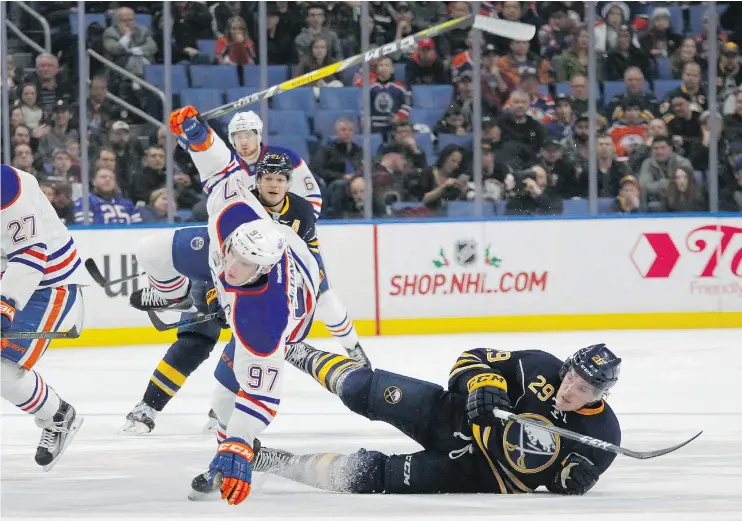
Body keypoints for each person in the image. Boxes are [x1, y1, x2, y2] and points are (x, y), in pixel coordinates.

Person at [121, 112, 368, 437]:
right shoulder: (235, 191)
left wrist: (351, 345)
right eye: (267, 179)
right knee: (195, 337)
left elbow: (317, 286)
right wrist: (191, 136)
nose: (273, 185)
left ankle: (222, 411)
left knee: (244, 345)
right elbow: (213, 166)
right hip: (224, 260)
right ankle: (149, 405)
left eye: (280, 180)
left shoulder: (298, 218)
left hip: (260, 283)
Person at [132, 107, 321, 506]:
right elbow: (220, 166)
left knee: (225, 395)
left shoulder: (267, 320)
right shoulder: (234, 217)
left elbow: (262, 395)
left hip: (291, 305)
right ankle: (172, 292)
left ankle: (227, 458)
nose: (232, 269)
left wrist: (237, 443)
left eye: (246, 267)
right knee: (150, 251)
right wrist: (197, 134)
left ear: (263, 269)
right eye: (234, 256)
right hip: (265, 259)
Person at [249, 342, 621, 496]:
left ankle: (272, 461)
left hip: (475, 474)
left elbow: (554, 483)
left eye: (585, 390)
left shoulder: (604, 435)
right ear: (567, 366)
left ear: (601, 396)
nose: (571, 390)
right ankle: (294, 348)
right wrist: (483, 382)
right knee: (362, 387)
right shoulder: (537, 365)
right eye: (572, 377)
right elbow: (469, 359)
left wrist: (567, 481)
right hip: (448, 414)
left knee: (368, 475)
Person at [0, 164, 87, 470]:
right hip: (7, 276)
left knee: (2, 372)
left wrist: (4, 305)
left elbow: (31, 254)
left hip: (46, 285)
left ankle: (58, 414)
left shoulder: (6, 186)